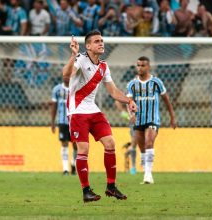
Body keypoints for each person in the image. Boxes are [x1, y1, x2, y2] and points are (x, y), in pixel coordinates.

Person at [62, 30, 137, 203]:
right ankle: (86, 191)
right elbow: (66, 74)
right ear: (88, 46)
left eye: (102, 40)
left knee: (110, 143)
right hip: (77, 111)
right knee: (83, 150)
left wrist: (128, 101)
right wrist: (73, 55)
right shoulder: (80, 59)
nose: (101, 43)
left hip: (93, 110)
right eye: (97, 41)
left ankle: (111, 186)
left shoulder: (104, 66)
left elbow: (113, 91)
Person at [127, 56, 177, 184]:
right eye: (138, 65)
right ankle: (146, 171)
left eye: (143, 65)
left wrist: (172, 117)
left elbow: (166, 100)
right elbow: (129, 102)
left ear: (148, 67)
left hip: (152, 119)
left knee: (149, 143)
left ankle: (148, 175)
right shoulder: (132, 84)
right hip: (138, 120)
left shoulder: (156, 82)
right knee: (142, 148)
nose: (140, 67)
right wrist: (131, 114)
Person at [50, 75, 77, 176]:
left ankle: (73, 165)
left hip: (75, 121)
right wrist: (52, 122)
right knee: (64, 143)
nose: (66, 77)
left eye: (68, 76)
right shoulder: (57, 89)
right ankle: (65, 169)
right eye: (65, 75)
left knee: (75, 144)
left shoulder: (76, 88)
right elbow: (54, 106)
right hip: (62, 121)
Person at [114, 100, 137, 175]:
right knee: (134, 144)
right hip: (134, 123)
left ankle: (128, 152)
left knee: (142, 143)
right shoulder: (129, 94)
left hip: (143, 121)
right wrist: (126, 116)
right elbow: (117, 102)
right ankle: (133, 167)